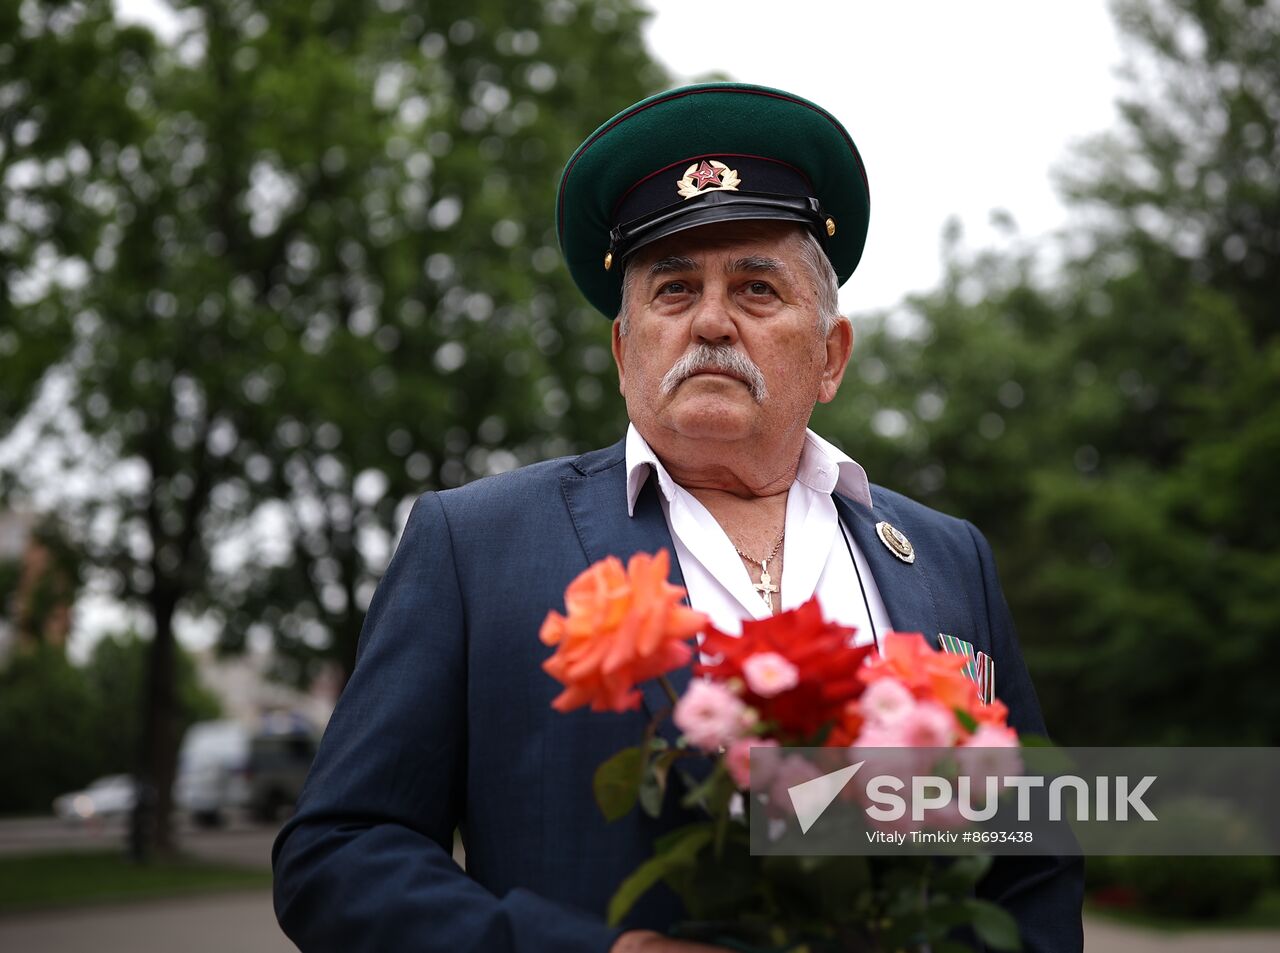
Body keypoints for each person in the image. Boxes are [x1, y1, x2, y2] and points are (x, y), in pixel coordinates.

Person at [272, 82, 1084, 953]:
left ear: (831, 355)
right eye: (672, 289)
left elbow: (1028, 857)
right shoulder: (474, 546)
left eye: (757, 287)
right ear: (625, 353)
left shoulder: (949, 557)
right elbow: (340, 852)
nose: (710, 320)